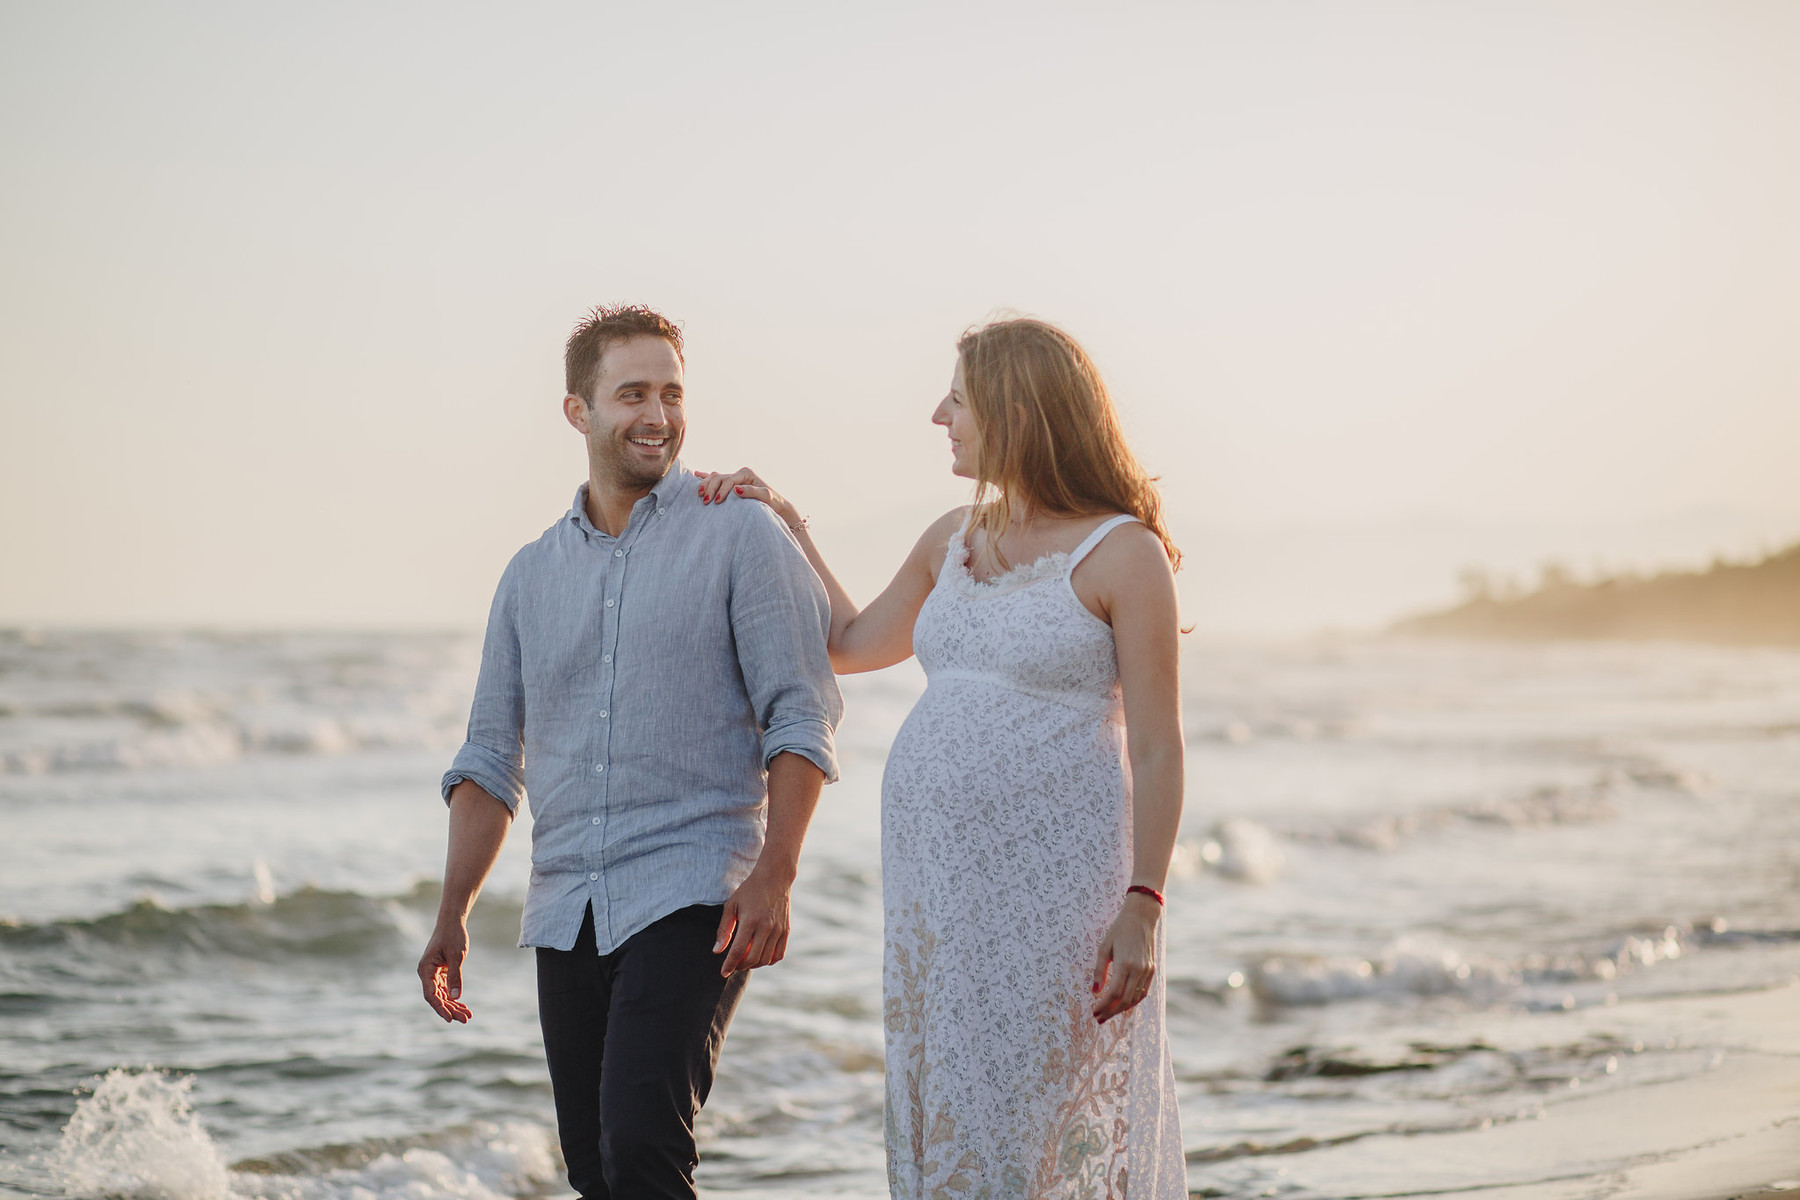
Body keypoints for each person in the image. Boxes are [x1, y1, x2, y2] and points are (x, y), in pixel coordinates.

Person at [697, 317, 1186, 1196]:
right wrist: (781, 520)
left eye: (957, 398)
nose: (937, 415)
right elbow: (846, 641)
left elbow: (1156, 747)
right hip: (939, 896)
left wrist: (1145, 904)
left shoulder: (1125, 553)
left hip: (1057, 894)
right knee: (953, 1098)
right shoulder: (951, 537)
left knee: (1035, 1115)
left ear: (1017, 409)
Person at [416, 305, 843, 1199]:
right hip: (567, 903)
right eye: (633, 394)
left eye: (673, 393)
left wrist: (778, 870)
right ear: (578, 411)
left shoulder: (741, 535)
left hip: (695, 891)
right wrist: (453, 911)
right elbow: (492, 758)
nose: (658, 415)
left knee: (645, 1147)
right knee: (596, 1172)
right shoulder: (530, 576)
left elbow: (800, 714)